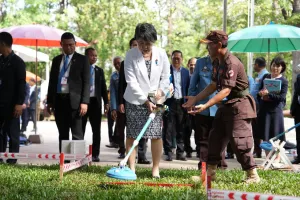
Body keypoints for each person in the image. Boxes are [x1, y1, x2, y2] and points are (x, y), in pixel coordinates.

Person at [183, 30, 260, 183]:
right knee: (215, 138)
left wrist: (205, 105)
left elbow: (226, 90)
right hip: (226, 106)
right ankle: (209, 174)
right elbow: (213, 85)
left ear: (218, 44)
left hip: (240, 105)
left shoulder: (231, 62)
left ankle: (252, 175)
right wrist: (195, 99)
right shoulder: (217, 61)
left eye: (209, 44)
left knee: (239, 141)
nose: (207, 48)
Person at [123, 23, 170, 178]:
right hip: (135, 100)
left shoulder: (161, 54)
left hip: (156, 100)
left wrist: (160, 91)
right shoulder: (130, 55)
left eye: (148, 43)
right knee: (133, 134)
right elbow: (132, 82)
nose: (144, 47)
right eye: (141, 43)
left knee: (156, 134)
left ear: (154, 40)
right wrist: (145, 101)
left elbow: (165, 77)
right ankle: (131, 168)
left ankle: (155, 169)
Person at [47, 32, 90, 153]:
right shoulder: (56, 60)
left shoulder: (83, 60)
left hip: (76, 102)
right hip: (59, 101)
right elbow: (52, 82)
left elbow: (87, 82)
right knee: (63, 133)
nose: (69, 47)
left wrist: (84, 102)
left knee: (77, 133)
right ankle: (64, 160)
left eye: (71, 44)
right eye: (65, 45)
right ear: (61, 45)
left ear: (75, 44)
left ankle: (78, 160)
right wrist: (50, 101)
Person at [118, 38, 151, 163]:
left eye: (137, 45)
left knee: (144, 129)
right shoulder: (125, 62)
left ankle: (142, 155)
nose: (136, 47)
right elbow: (121, 84)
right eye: (133, 45)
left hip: (145, 99)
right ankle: (130, 156)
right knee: (132, 130)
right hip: (130, 100)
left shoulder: (147, 61)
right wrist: (121, 102)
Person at [0, 32, 26, 164]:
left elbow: (22, 84)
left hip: (13, 104)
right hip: (0, 103)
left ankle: (12, 159)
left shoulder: (18, 62)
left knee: (13, 132)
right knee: (0, 133)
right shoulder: (0, 61)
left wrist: (19, 103)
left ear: (3, 44)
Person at [257, 57, 288, 158]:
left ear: (282, 68)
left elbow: (282, 98)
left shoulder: (284, 81)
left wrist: (269, 94)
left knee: (276, 136)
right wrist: (261, 93)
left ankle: (276, 159)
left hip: (275, 111)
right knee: (265, 135)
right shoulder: (266, 76)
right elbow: (259, 91)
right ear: (270, 65)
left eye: (278, 66)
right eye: (274, 65)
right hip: (264, 111)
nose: (275, 68)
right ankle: (267, 158)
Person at [82, 47, 109, 162]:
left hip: (95, 103)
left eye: (96, 56)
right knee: (80, 129)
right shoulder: (81, 69)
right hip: (83, 103)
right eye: (92, 55)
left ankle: (95, 154)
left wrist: (106, 103)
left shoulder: (99, 71)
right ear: (86, 56)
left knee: (96, 130)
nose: (94, 57)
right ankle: (79, 153)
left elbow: (103, 88)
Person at [164, 50, 190, 161]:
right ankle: (169, 152)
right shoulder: (166, 71)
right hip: (169, 103)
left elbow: (188, 87)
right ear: (171, 59)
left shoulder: (185, 72)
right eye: (174, 58)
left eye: (178, 58)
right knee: (168, 129)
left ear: (182, 59)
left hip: (181, 103)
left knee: (181, 128)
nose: (176, 60)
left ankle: (180, 152)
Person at [250, 57, 268, 158]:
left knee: (257, 128)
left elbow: (262, 90)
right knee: (255, 128)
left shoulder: (265, 75)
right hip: (254, 104)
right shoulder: (259, 75)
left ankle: (259, 150)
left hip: (259, 105)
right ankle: (257, 149)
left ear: (257, 64)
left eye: (254, 64)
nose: (253, 66)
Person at [184, 57, 197, 157]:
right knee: (186, 130)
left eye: (195, 64)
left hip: (198, 107)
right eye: (191, 64)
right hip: (186, 107)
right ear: (188, 65)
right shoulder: (185, 75)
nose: (193, 66)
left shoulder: (200, 76)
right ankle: (187, 149)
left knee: (198, 130)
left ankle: (199, 148)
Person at [291, 73, 300, 164]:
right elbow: (296, 94)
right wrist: (292, 109)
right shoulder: (298, 77)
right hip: (298, 110)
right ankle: (299, 156)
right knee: (298, 135)